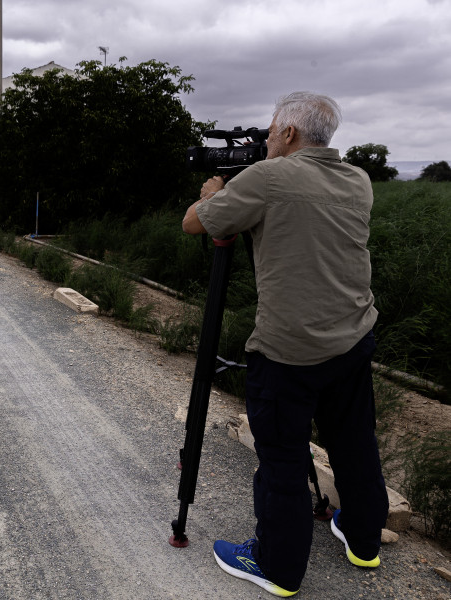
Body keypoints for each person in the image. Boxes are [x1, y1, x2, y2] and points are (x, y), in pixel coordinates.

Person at [181, 91, 389, 597]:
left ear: (290, 134)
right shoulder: (357, 180)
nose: (266, 139)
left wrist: (212, 194)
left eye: (272, 132)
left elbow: (194, 223)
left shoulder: (268, 178)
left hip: (288, 351)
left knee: (282, 458)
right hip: (355, 338)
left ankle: (277, 566)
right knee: (355, 444)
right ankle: (364, 542)